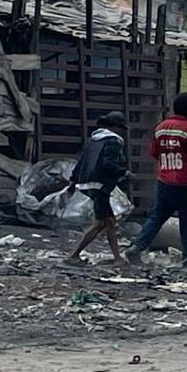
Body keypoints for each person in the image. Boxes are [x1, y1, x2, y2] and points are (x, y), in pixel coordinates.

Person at [124, 93, 187, 266]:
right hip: (185, 183)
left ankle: (137, 247)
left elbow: (154, 153)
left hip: (164, 181)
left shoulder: (160, 128)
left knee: (156, 217)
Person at [64, 111, 130, 267]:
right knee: (100, 223)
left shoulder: (94, 139)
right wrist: (124, 172)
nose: (123, 132)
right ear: (115, 127)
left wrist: (73, 180)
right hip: (100, 185)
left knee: (109, 221)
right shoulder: (114, 141)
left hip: (87, 184)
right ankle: (73, 255)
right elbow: (108, 162)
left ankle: (117, 258)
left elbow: (81, 161)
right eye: (122, 128)